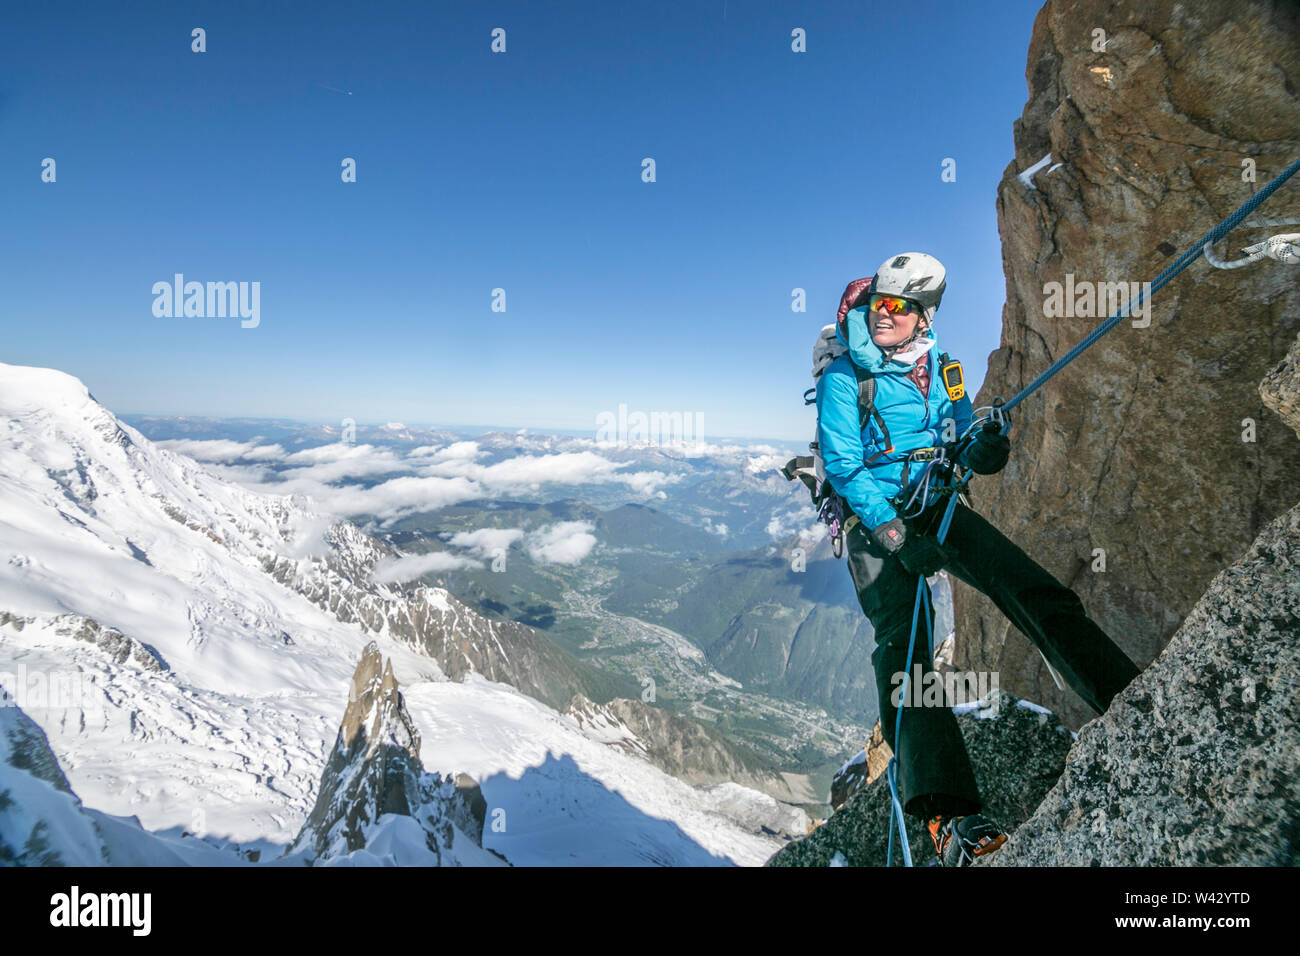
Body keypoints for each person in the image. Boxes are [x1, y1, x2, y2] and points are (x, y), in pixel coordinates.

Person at [816, 252, 1141, 866]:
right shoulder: (844, 378)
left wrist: (981, 447)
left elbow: (958, 434)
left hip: (935, 503)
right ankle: (948, 816)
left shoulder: (947, 366)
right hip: (876, 522)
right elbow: (843, 465)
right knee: (905, 653)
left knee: (1030, 588)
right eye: (877, 305)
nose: (883, 317)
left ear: (924, 314)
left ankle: (1128, 697)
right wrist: (894, 538)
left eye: (898, 307)